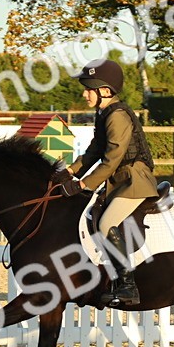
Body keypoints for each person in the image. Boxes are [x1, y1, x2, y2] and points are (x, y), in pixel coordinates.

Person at [68, 58, 160, 307]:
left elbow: (111, 160)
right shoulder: (104, 113)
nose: (85, 94)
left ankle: (128, 285)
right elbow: (94, 150)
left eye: (89, 89)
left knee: (106, 222)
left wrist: (83, 184)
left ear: (105, 91)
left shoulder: (118, 116)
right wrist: (70, 172)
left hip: (134, 180)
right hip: (120, 180)